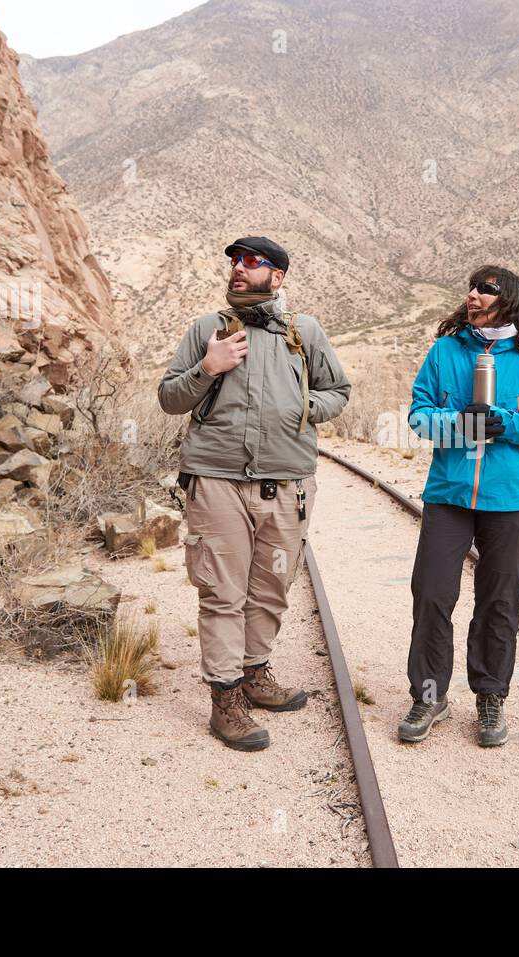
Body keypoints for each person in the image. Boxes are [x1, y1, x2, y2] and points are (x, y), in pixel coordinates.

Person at [158, 236, 351, 752]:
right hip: (216, 480)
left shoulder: (303, 332)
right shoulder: (208, 330)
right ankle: (225, 701)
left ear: (277, 276)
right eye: (233, 262)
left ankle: (254, 674)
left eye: (250, 262)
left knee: (271, 588)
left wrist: (302, 408)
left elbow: (339, 391)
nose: (237, 269)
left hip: (286, 483)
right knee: (222, 591)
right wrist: (208, 367)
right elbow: (169, 398)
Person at [398, 265, 519, 747]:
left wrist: (506, 423)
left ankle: (490, 698)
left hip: (509, 500)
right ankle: (430, 695)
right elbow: (420, 415)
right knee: (431, 593)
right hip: (448, 494)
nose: (473, 294)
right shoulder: (445, 351)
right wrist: (458, 421)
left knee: (499, 602)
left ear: (507, 299)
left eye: (485, 289)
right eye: (471, 287)